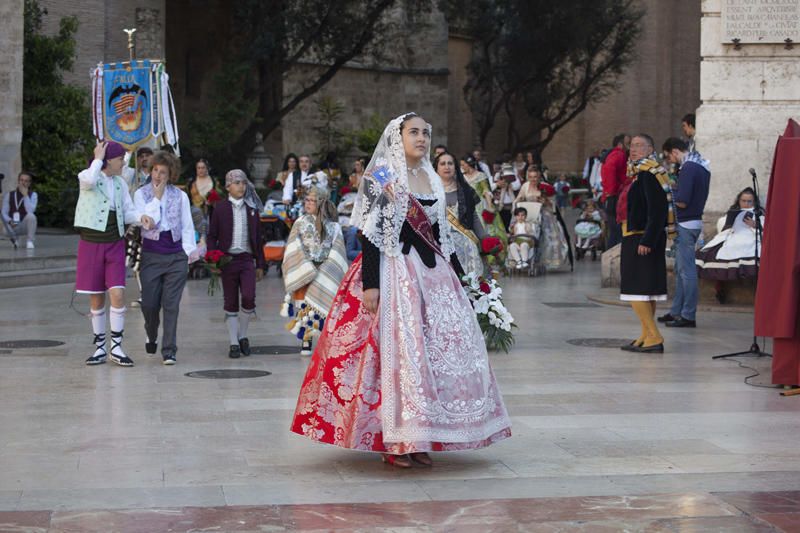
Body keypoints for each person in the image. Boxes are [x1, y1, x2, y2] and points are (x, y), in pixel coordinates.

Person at [290, 113, 511, 468]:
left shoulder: (432, 178)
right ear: (398, 136)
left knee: (432, 357)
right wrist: (372, 285)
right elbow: (369, 232)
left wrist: (462, 281)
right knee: (397, 357)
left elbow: (441, 237)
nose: (421, 138)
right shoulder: (381, 176)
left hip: (433, 275)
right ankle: (395, 441)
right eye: (414, 132)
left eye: (426, 132)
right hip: (393, 271)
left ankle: (422, 436)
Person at [75, 141, 151, 366]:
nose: (123, 163)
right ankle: (100, 347)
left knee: (117, 293)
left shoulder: (120, 183)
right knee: (96, 295)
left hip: (115, 243)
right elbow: (88, 181)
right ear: (109, 160)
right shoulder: (89, 176)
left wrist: (141, 217)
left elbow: (127, 210)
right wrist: (98, 158)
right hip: (91, 244)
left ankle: (116, 347)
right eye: (120, 159)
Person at [133, 151, 199, 365]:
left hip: (175, 255)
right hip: (151, 255)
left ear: (170, 174)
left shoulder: (180, 196)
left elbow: (187, 226)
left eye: (163, 172)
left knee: (171, 304)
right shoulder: (141, 195)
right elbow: (148, 223)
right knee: (150, 305)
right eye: (155, 170)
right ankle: (151, 333)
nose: (158, 176)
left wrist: (187, 253)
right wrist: (158, 197)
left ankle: (169, 349)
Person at [280, 186, 348, 355]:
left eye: (312, 200)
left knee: (325, 305)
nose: (307, 203)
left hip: (326, 271)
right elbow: (293, 247)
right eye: (306, 200)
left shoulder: (333, 227)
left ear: (321, 203)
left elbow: (338, 250)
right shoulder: (300, 223)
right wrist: (304, 267)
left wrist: (328, 268)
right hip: (306, 269)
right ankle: (306, 340)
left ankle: (327, 339)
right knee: (305, 306)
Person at [618, 134, 670, 354]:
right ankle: (646, 334)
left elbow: (657, 210)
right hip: (638, 235)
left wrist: (647, 239)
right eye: (632, 146)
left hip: (641, 237)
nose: (634, 149)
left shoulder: (649, 174)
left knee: (636, 289)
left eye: (640, 146)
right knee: (645, 290)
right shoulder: (641, 173)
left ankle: (654, 336)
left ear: (651, 149)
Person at [207, 169, 265, 359]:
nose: (241, 186)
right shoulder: (220, 208)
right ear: (228, 186)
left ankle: (243, 335)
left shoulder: (252, 209)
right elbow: (212, 235)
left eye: (243, 182)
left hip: (247, 259)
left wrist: (260, 264)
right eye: (237, 183)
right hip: (228, 260)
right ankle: (233, 341)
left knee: (248, 297)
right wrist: (213, 258)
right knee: (230, 301)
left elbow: (258, 238)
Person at [658, 137, 710, 328]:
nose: (671, 161)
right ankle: (676, 311)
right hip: (693, 221)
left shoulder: (688, 168)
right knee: (681, 271)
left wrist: (668, 193)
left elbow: (682, 201)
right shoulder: (701, 166)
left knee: (687, 272)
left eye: (669, 156)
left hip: (686, 222)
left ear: (674, 151)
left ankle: (688, 315)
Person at [696, 188, 763, 303]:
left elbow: (767, 229)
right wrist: (731, 223)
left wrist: (755, 225)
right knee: (713, 254)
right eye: (744, 201)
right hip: (732, 237)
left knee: (755, 254)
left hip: (751, 239)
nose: (746, 204)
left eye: (749, 201)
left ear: (754, 202)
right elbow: (722, 227)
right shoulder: (732, 212)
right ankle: (720, 289)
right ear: (739, 201)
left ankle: (760, 294)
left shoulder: (760, 213)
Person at [435, 151, 486, 276]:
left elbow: (473, 217)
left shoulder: (465, 190)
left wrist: (485, 239)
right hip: (440, 246)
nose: (447, 167)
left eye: (450, 163)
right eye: (442, 164)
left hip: (466, 245)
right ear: (436, 168)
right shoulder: (429, 191)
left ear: (455, 167)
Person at [461, 154, 508, 261]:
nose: (462, 167)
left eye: (463, 165)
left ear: (469, 164)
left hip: (479, 205)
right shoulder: (462, 177)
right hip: (466, 205)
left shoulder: (480, 176)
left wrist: (490, 207)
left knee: (484, 229)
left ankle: (489, 255)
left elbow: (486, 192)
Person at [601, 134, 630, 249]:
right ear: (620, 144)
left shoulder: (615, 155)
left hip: (612, 196)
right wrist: (612, 192)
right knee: (617, 230)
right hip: (614, 197)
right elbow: (610, 169)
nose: (630, 147)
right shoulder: (619, 154)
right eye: (628, 144)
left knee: (615, 230)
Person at [186, 159, 220, 245]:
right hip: (194, 211)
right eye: (198, 168)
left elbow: (219, 196)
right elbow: (188, 197)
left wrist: (211, 202)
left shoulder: (213, 181)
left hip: (210, 211)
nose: (201, 170)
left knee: (209, 230)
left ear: (207, 168)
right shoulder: (191, 181)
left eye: (203, 168)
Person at [2, 171, 38, 249]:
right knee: (5, 229)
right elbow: (4, 213)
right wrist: (9, 221)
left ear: (29, 183)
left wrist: (25, 196)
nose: (23, 183)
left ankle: (30, 241)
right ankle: (15, 240)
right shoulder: (9, 195)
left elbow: (30, 211)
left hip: (24, 224)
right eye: (21, 180)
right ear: (18, 181)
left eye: (26, 181)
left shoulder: (33, 195)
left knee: (31, 216)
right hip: (13, 223)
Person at [495, 163, 521, 229]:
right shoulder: (498, 176)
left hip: (511, 205)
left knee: (509, 223)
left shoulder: (515, 178)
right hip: (499, 205)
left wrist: (510, 182)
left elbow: (516, 187)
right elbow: (494, 185)